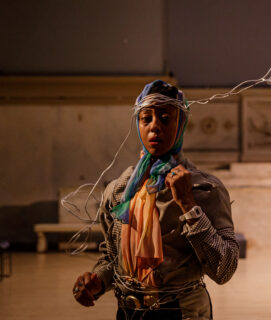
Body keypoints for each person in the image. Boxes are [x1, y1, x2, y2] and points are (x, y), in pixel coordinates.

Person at [72, 80, 239, 320]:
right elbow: (111, 257)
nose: (154, 127)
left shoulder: (205, 188)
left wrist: (189, 205)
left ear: (181, 124)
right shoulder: (120, 191)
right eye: (146, 119)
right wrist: (97, 281)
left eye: (165, 117)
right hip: (129, 311)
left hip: (183, 312)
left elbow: (225, 269)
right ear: (137, 124)